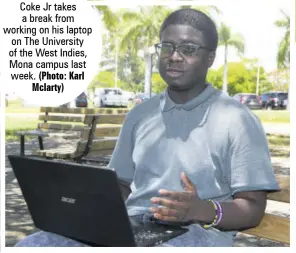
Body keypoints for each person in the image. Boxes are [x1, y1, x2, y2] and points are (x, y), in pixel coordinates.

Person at [15, 8, 279, 247]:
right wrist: (81, 204)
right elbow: (120, 184)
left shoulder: (236, 119)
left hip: (197, 232)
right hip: (133, 227)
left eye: (188, 49)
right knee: (33, 245)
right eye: (167, 47)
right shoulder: (141, 114)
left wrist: (200, 209)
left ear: (210, 58)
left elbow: (252, 208)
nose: (175, 57)